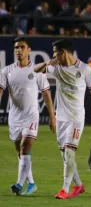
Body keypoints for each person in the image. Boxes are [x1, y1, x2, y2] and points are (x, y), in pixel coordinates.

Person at [34, 39, 91, 199]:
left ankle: (65, 189)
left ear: (64, 52)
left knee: (69, 153)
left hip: (76, 118)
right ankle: (79, 185)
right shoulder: (56, 67)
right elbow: (35, 71)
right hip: (61, 118)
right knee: (66, 156)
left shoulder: (84, 69)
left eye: (55, 53)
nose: (54, 56)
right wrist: (47, 62)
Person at [1, 37, 56, 195]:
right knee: (21, 152)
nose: (18, 50)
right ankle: (31, 183)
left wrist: (52, 116)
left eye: (22, 47)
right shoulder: (7, 71)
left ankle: (19, 184)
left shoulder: (37, 72)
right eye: (16, 47)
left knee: (26, 146)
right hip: (14, 118)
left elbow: (46, 94)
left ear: (29, 50)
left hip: (31, 116)